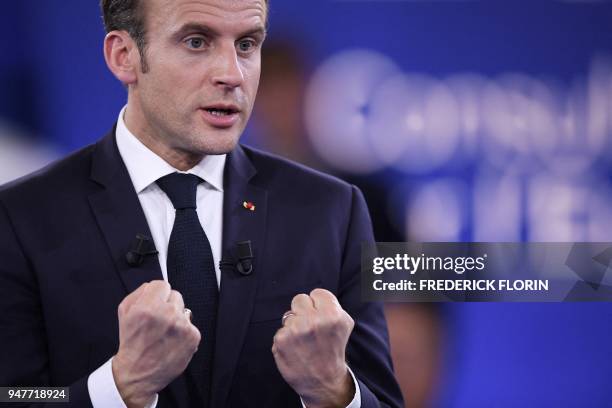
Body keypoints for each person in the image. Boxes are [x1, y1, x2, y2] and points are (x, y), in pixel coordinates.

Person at [0, 0, 404, 407]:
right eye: (196, 42)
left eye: (247, 44)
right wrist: (120, 386)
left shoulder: (332, 211)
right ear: (124, 57)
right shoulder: (20, 219)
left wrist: (335, 391)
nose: (232, 74)